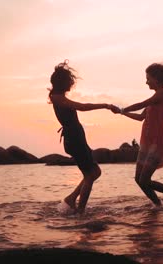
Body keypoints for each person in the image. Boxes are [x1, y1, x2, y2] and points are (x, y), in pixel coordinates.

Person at [49, 60, 119, 214]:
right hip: (74, 139)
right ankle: (80, 211)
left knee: (94, 172)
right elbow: (82, 107)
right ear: (62, 82)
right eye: (69, 80)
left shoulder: (57, 96)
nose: (72, 83)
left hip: (76, 138)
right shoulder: (57, 97)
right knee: (91, 174)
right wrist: (105, 105)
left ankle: (72, 199)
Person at [118, 63, 163, 207]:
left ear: (157, 79)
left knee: (144, 180)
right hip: (147, 142)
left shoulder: (162, 93)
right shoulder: (154, 98)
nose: (146, 81)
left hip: (158, 142)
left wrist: (122, 108)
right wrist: (123, 113)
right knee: (138, 179)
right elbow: (140, 117)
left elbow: (141, 104)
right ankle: (157, 205)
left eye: (148, 78)